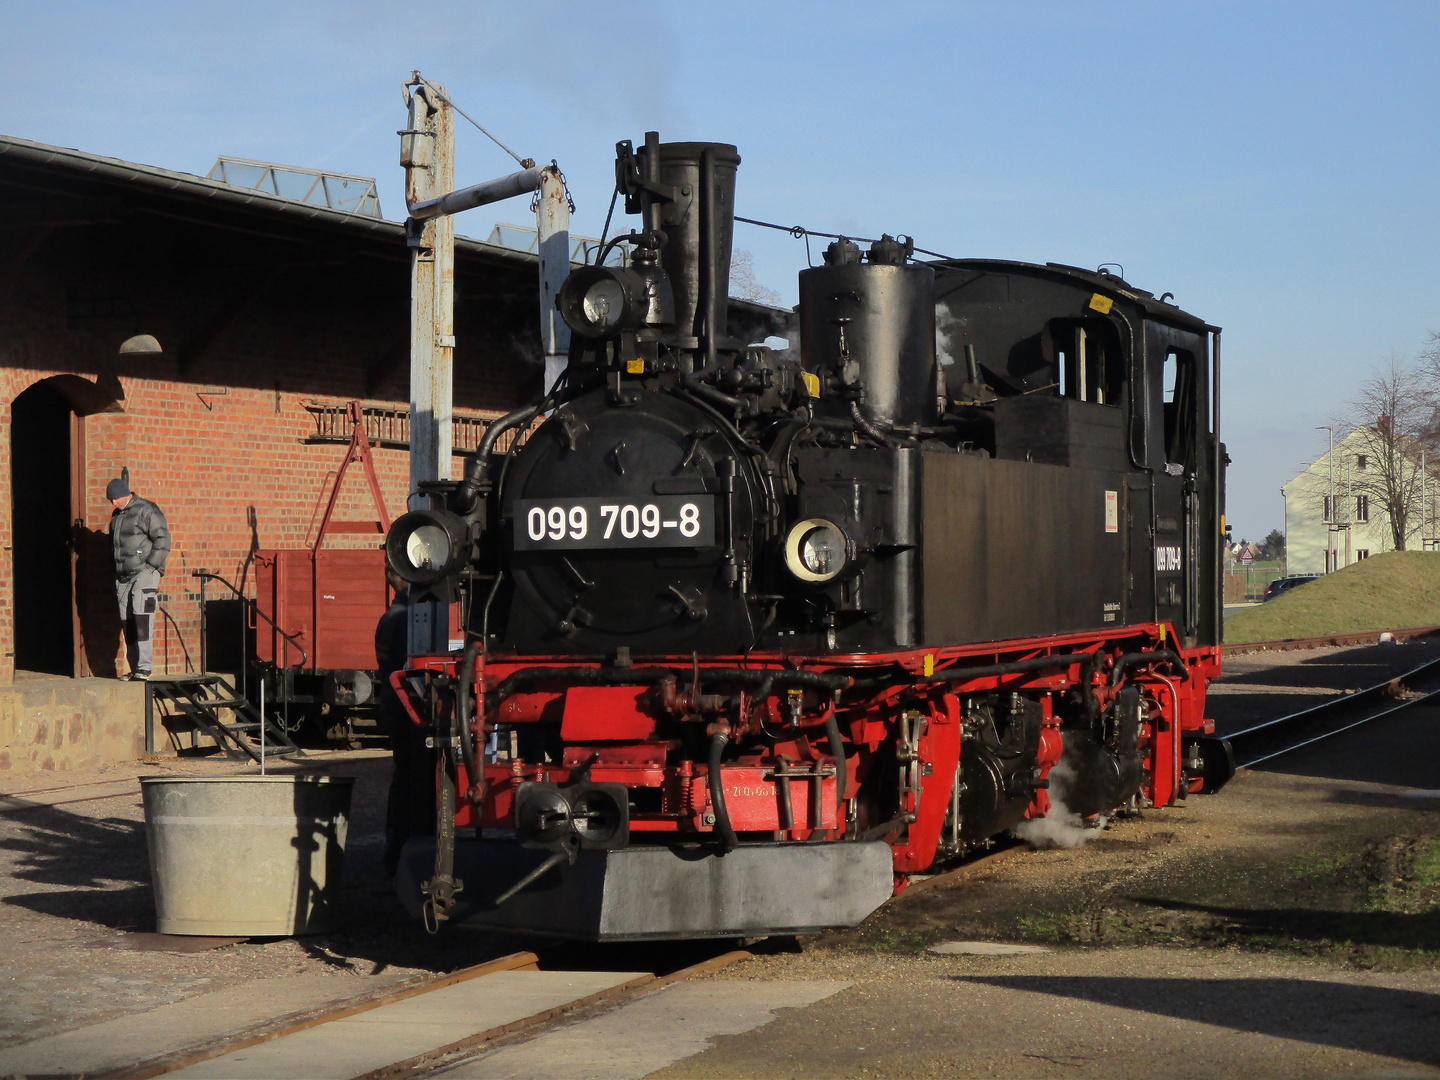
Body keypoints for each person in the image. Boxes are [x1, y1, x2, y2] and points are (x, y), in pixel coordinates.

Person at [375, 568, 434, 878]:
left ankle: (397, 853)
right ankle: (404, 854)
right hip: (406, 710)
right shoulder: (405, 619)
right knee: (413, 781)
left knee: (404, 779)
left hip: (394, 707)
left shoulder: (391, 616)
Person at [106, 476, 170, 680]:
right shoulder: (117, 516)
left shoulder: (146, 509)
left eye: (114, 498)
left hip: (144, 572)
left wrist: (152, 566)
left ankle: (145, 666)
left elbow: (163, 539)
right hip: (123, 576)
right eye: (111, 500)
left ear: (124, 494)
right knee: (128, 621)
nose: (113, 503)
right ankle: (135, 668)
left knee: (142, 618)